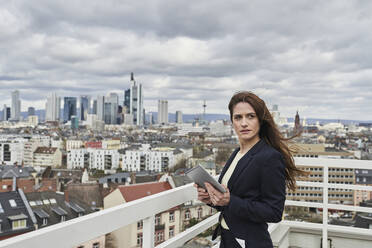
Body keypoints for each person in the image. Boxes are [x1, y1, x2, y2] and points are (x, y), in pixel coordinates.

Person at [195, 91, 306, 247]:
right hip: (228, 239)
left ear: (260, 120)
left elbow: (274, 211)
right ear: (231, 121)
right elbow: (231, 201)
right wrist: (211, 199)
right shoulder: (236, 153)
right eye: (238, 117)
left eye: (250, 116)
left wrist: (229, 200)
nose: (244, 123)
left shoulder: (269, 157)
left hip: (250, 242)